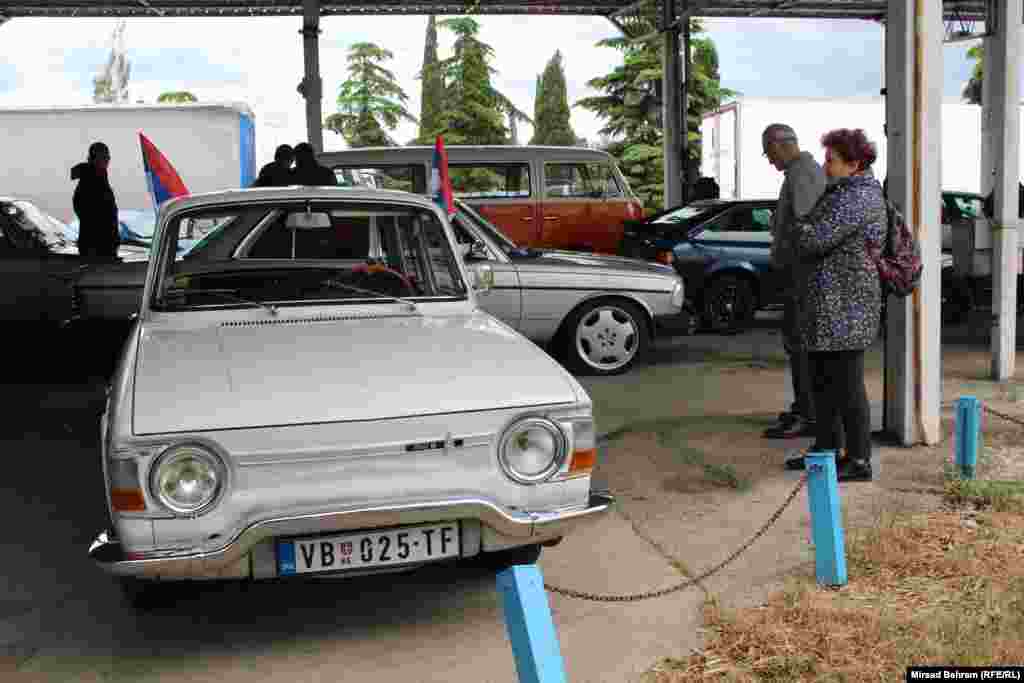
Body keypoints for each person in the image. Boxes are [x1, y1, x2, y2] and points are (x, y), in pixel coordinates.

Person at [787, 128, 886, 482]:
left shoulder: (858, 198)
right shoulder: (842, 192)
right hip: (829, 307)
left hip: (847, 309)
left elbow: (814, 239)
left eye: (831, 160)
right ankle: (826, 450)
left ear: (854, 164)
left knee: (847, 387)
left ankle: (858, 459)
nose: (825, 166)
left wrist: (797, 227)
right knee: (822, 383)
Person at [760, 124, 827, 441]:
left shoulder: (803, 174)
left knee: (801, 346)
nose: (770, 160)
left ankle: (808, 414)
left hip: (801, 277)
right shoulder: (797, 173)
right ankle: (804, 407)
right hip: (797, 275)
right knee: (797, 345)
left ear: (780, 145)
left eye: (769, 153)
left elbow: (807, 228)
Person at [70, 142, 119, 263]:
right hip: (97, 250)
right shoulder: (91, 178)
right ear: (96, 158)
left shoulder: (99, 176)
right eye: (105, 157)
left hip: (101, 248)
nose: (108, 160)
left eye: (108, 157)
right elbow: (82, 208)